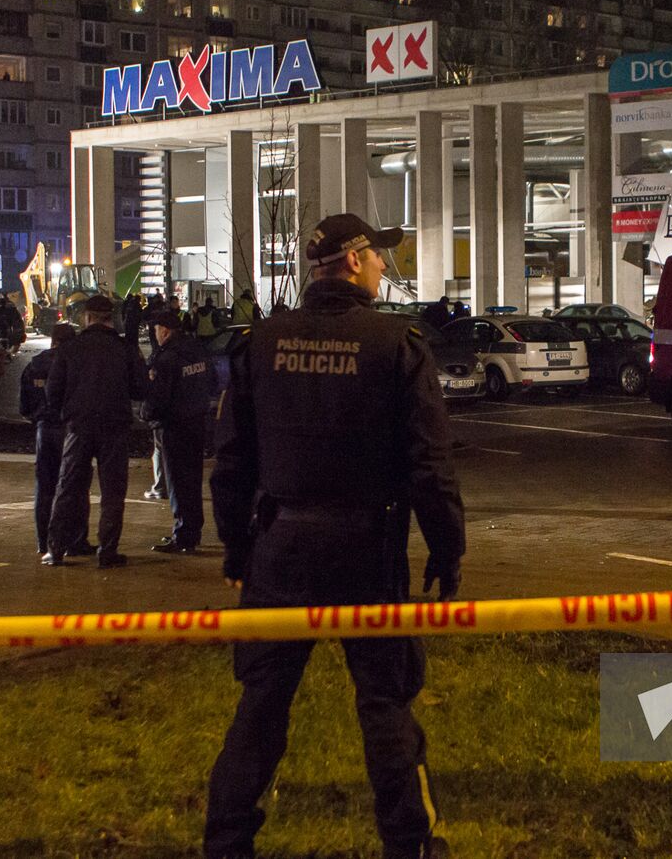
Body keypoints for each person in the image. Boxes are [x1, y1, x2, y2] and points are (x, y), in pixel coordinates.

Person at [205, 212, 466, 859]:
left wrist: (239, 549)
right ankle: (411, 845)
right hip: (365, 552)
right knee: (385, 704)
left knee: (261, 704)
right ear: (352, 261)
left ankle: (227, 842)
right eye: (378, 256)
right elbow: (429, 464)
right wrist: (447, 549)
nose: (384, 265)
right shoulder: (396, 344)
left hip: (279, 549)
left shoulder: (261, 343)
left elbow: (231, 461)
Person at [43, 295, 149, 568]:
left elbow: (52, 392)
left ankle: (55, 549)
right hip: (114, 426)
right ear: (110, 318)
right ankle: (107, 550)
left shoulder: (70, 348)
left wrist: (66, 412)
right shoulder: (125, 349)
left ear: (87, 317)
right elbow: (140, 389)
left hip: (78, 426)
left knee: (68, 486)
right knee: (113, 490)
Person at [143, 310, 214, 554]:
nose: (155, 335)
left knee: (177, 483)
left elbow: (158, 397)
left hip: (174, 427)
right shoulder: (196, 349)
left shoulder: (167, 359)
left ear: (164, 330)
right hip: (197, 423)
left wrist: (146, 414)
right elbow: (212, 381)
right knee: (192, 480)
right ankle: (192, 531)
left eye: (155, 330)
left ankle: (184, 535)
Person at [19, 322, 78, 556]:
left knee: (44, 488)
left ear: (52, 340)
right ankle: (72, 541)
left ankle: (43, 541)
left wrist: (38, 418)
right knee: (72, 486)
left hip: (44, 430)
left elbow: (24, 406)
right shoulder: (72, 364)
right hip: (68, 429)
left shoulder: (34, 365)